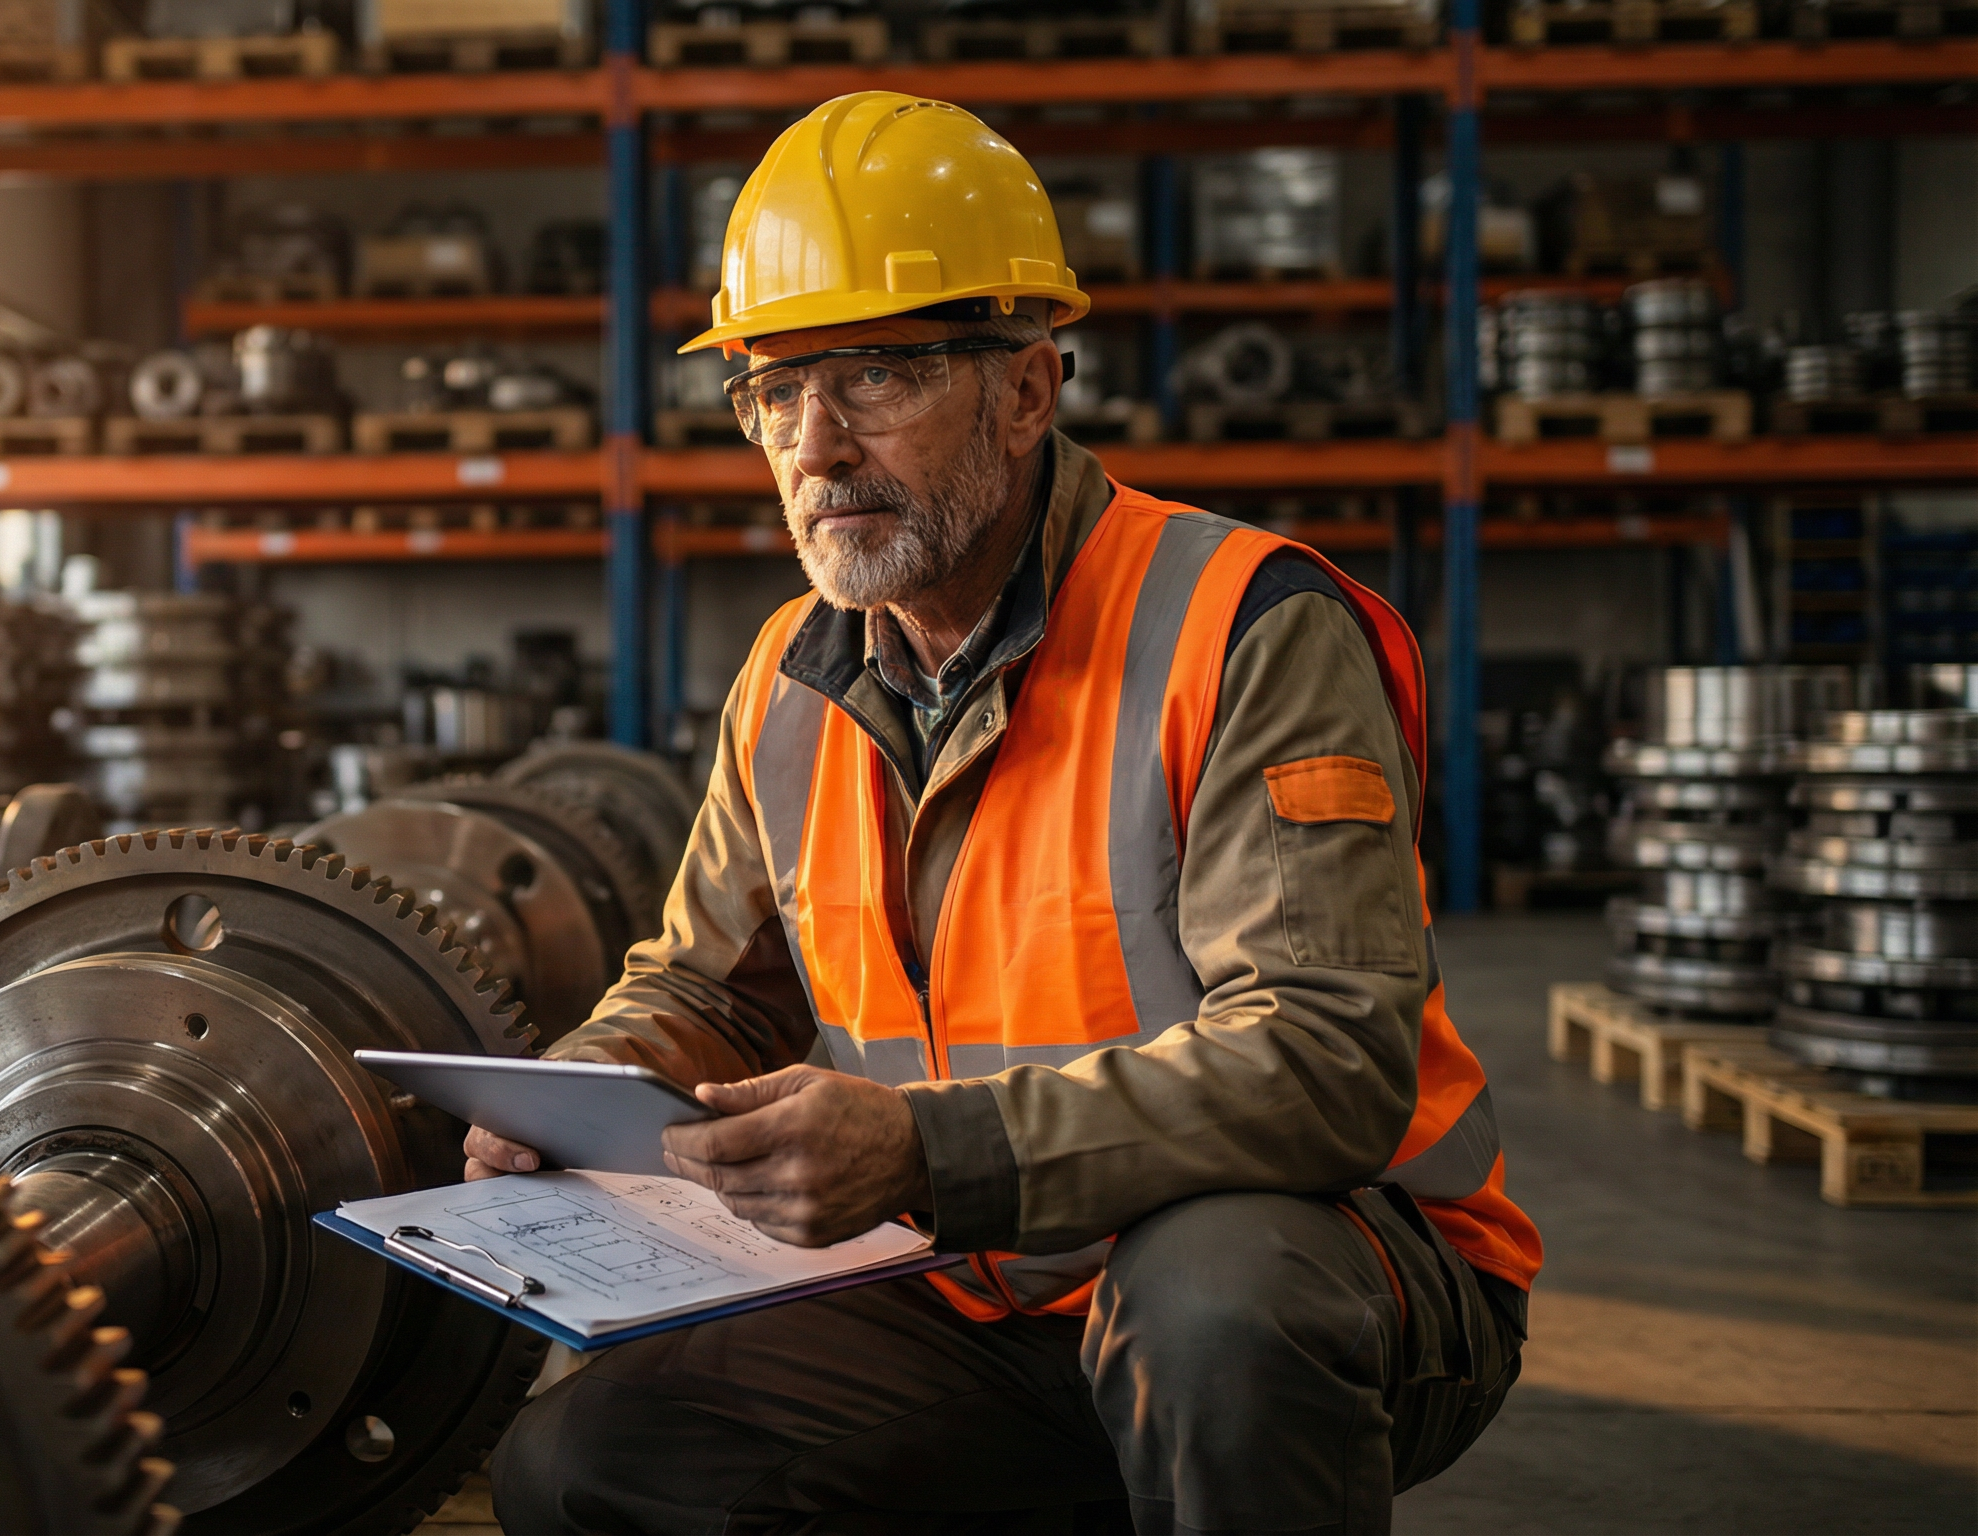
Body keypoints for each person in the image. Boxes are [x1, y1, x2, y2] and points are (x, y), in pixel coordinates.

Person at [471, 92, 1540, 1536]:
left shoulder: (1241, 628)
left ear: (1030, 390)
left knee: (1213, 1311)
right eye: (775, 391)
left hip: (1331, 1265)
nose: (818, 445)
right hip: (980, 1279)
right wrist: (575, 1091)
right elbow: (713, 990)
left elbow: (1326, 1061)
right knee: (590, 1465)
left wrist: (927, 1153)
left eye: (876, 379)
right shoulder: (791, 676)